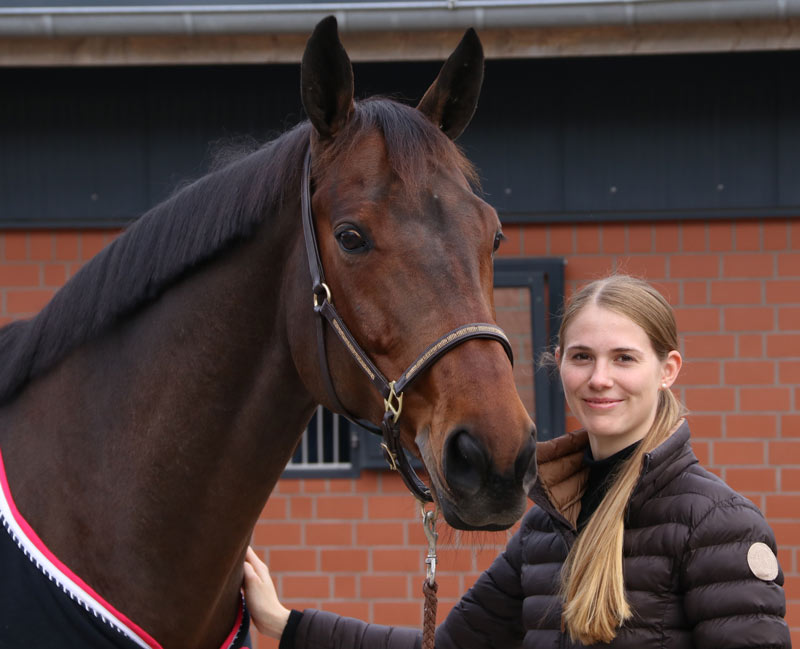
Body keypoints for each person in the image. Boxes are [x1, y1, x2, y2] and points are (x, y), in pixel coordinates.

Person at [243, 274, 791, 648]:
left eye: (624, 358)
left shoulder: (719, 526)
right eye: (582, 357)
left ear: (667, 369)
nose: (600, 378)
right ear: (559, 365)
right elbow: (450, 646)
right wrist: (288, 624)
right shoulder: (546, 527)